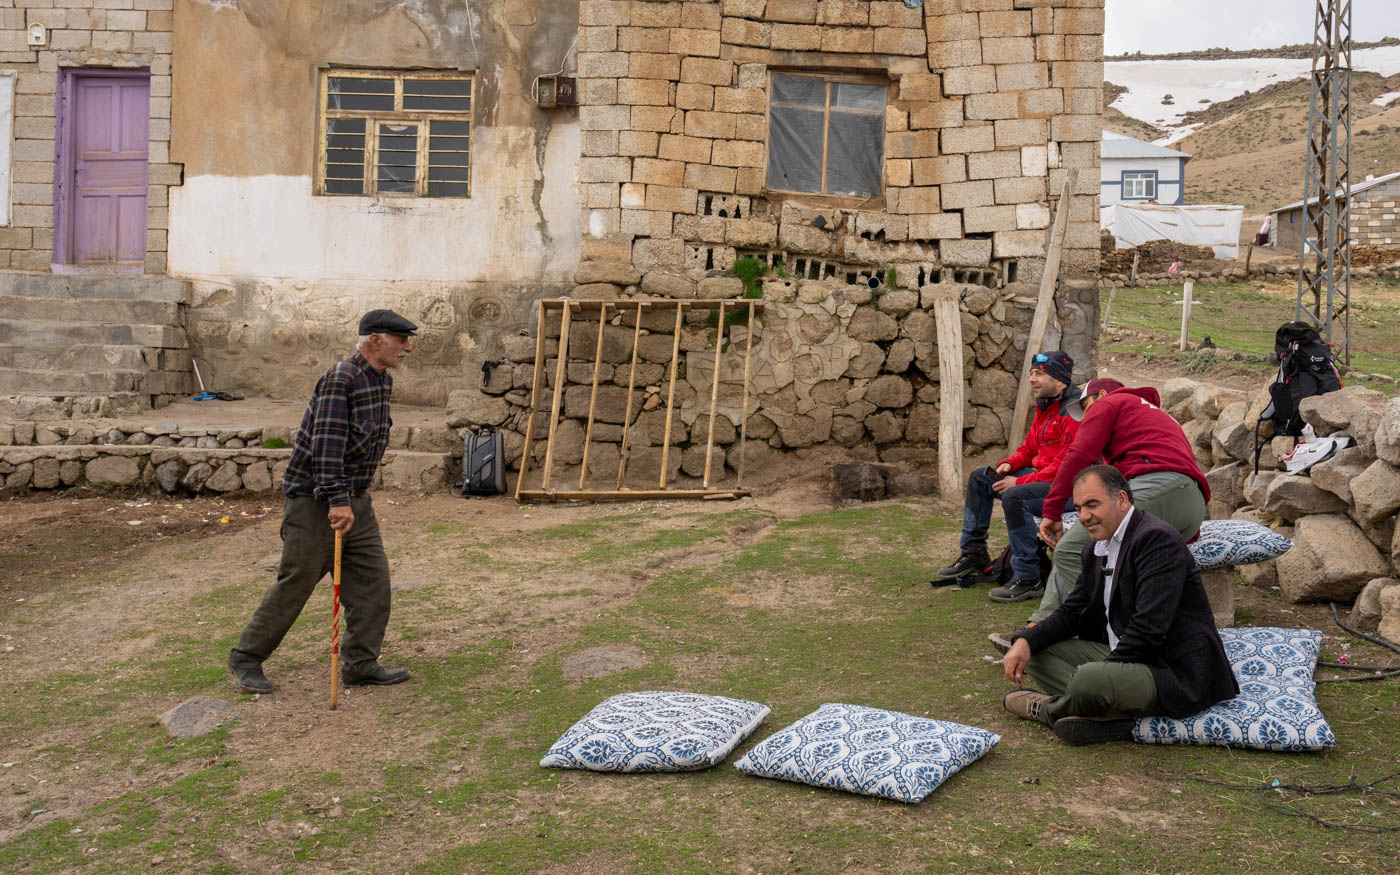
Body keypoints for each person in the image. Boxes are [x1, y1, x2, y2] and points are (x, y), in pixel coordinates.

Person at [228, 309, 418, 694]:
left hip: (355, 501)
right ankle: (247, 658)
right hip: (317, 502)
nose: (408, 347)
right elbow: (325, 447)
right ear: (375, 341)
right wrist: (337, 500)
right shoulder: (341, 379)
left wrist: (350, 501)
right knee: (297, 582)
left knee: (372, 583)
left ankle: (361, 664)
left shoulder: (380, 381)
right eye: (402, 340)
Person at [1000, 465, 1238, 745]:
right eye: (1078, 508)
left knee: (1090, 679)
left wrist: (1106, 674)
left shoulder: (1156, 540)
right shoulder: (1095, 547)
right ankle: (1105, 710)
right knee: (1037, 652)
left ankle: (1048, 709)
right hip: (1121, 657)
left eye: (1092, 505)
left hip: (1169, 670)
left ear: (1122, 500)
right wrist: (1026, 641)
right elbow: (1072, 611)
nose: (1084, 517)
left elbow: (1149, 629)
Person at [1026, 378, 1210, 627]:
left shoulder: (1109, 402)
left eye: (1086, 406)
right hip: (1189, 501)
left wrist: (1052, 509)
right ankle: (1040, 625)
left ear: (1101, 394)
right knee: (1087, 550)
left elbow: (1079, 454)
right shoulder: (1149, 414)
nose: (1086, 417)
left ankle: (1094, 635)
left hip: (1160, 488)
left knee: (1070, 549)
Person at [933, 351, 1081, 597]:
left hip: (1068, 490)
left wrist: (1020, 481)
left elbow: (1067, 467)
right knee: (981, 478)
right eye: (1032, 373)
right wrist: (1009, 464)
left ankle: (1027, 578)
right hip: (1042, 480)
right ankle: (974, 553)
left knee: (1016, 496)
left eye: (1039, 374)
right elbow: (1029, 449)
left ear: (1059, 379)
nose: (1032, 379)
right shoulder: (1046, 405)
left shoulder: (1073, 411)